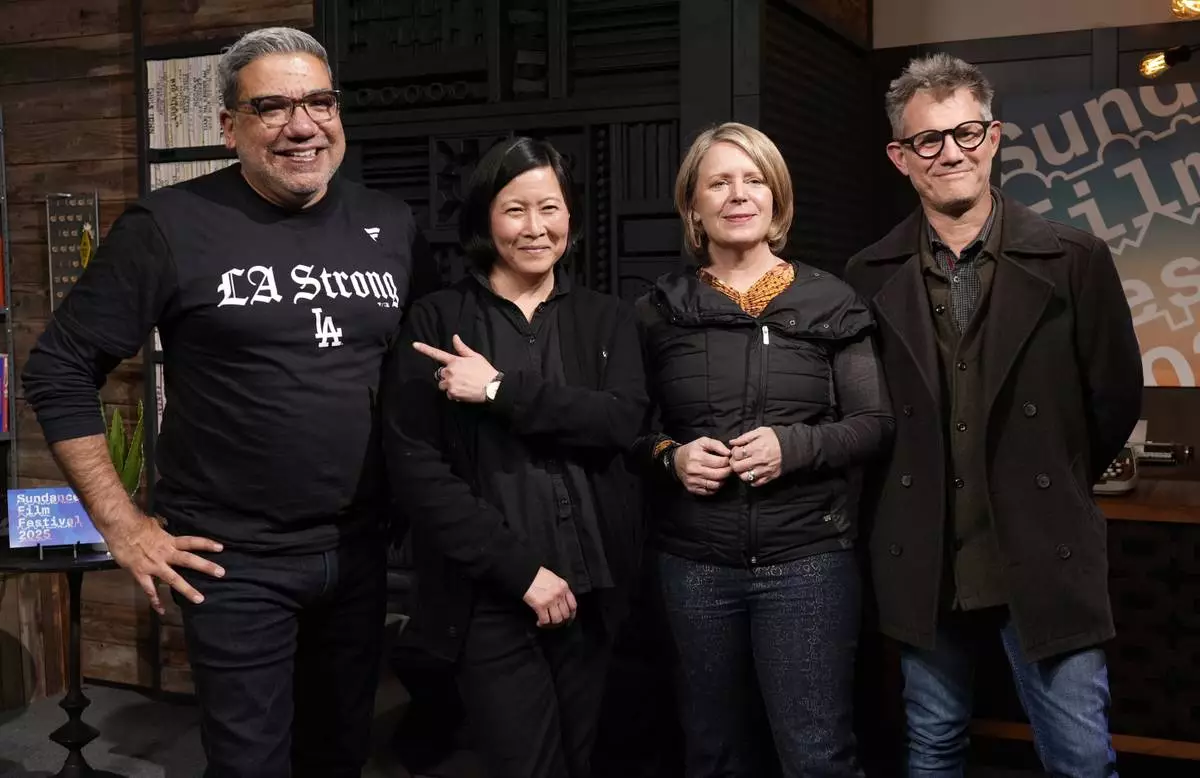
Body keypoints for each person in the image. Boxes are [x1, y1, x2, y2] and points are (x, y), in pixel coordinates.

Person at [22, 26, 436, 778]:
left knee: (341, 754)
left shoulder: (391, 225)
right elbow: (58, 369)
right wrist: (123, 526)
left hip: (359, 551)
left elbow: (422, 370)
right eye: (272, 107)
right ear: (228, 127)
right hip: (233, 563)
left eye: (319, 101)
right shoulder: (170, 226)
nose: (302, 125)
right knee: (250, 764)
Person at [844, 53, 1142, 777]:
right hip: (925, 553)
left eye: (967, 132)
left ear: (995, 136)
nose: (952, 153)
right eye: (929, 140)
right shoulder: (866, 274)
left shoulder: (1074, 258)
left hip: (1044, 545)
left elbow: (1115, 401)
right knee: (934, 747)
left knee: (1078, 758)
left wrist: (1049, 481)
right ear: (900, 157)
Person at [379, 136, 648, 778]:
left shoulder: (606, 319)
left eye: (550, 209)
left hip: (595, 586)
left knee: (585, 761)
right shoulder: (436, 320)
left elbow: (620, 422)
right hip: (491, 594)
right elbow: (417, 469)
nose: (536, 228)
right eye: (515, 210)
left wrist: (498, 389)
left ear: (571, 218)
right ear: (483, 218)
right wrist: (522, 572)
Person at [635, 121, 894, 777]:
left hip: (807, 564)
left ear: (777, 198)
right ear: (693, 206)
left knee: (817, 756)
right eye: (718, 182)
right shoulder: (658, 310)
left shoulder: (830, 300)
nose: (738, 194)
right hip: (694, 566)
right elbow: (628, 429)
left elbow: (874, 423)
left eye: (754, 180)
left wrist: (794, 447)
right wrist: (670, 456)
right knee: (712, 753)